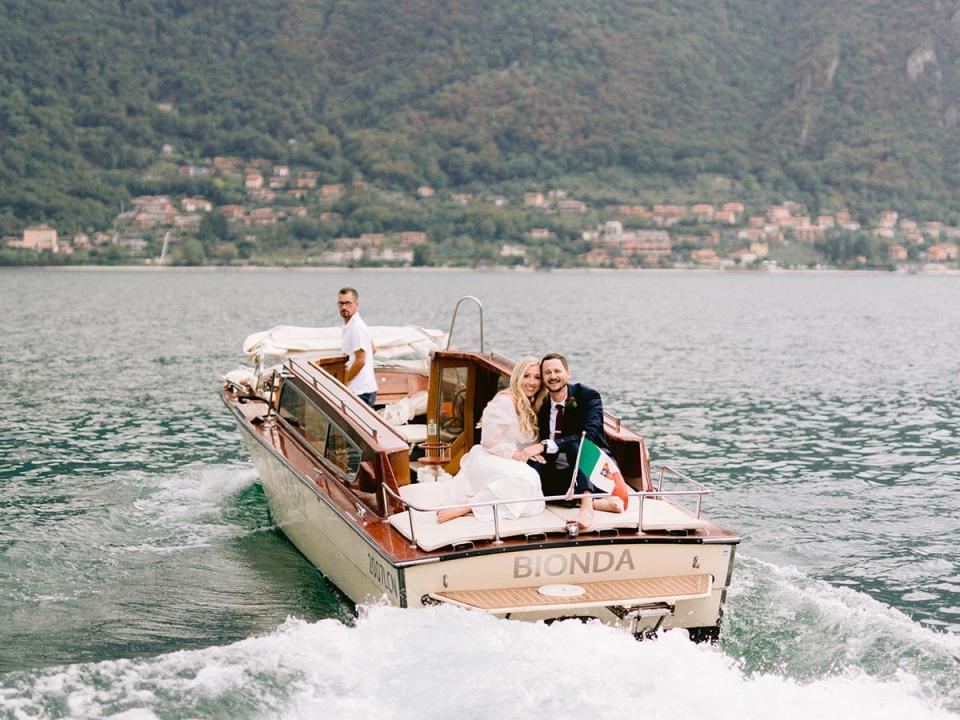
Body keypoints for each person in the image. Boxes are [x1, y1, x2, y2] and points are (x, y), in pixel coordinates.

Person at [437, 357, 548, 523]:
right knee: (527, 478)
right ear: (517, 377)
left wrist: (534, 451)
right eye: (526, 376)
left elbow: (526, 439)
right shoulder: (505, 401)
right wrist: (518, 455)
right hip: (490, 457)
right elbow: (489, 442)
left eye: (537, 377)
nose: (531, 382)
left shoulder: (533, 402)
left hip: (512, 459)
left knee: (531, 485)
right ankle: (469, 505)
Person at [532, 353, 625, 529]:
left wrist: (546, 444)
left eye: (557, 371)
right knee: (532, 469)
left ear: (568, 373)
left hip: (592, 463)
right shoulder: (542, 404)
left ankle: (587, 506)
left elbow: (588, 435)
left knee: (578, 444)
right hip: (560, 467)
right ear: (543, 378)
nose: (553, 376)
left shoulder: (588, 396)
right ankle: (594, 502)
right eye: (547, 373)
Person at [337, 287, 378, 407]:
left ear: (356, 304)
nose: (344, 307)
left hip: (360, 392)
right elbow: (373, 349)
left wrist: (342, 382)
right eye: (341, 303)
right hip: (363, 389)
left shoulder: (356, 327)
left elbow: (360, 361)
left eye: (348, 303)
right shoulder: (351, 324)